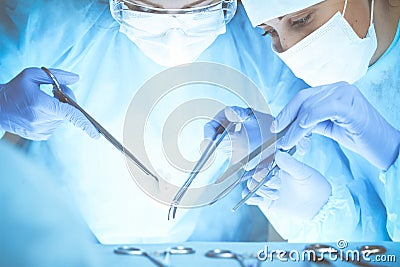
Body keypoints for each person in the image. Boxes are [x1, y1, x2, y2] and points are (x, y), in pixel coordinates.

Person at [1, 0, 299, 243]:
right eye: (144, 9)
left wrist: (282, 154)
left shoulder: (264, 36)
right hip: (55, 232)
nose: (174, 38)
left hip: (210, 242)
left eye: (199, 10)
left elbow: (324, 174)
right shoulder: (53, 21)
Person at [207, 0, 399, 241]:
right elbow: (378, 246)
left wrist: (394, 154)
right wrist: (318, 210)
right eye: (270, 32)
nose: (288, 48)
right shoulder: (325, 99)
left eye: (301, 20)